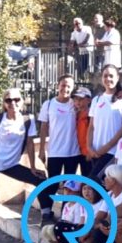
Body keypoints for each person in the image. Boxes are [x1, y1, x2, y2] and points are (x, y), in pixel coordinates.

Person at [0, 88, 49, 243]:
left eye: (16, 99)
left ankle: (46, 215)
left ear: (22, 101)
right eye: (8, 100)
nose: (12, 103)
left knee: (40, 180)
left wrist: (32, 167)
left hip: (10, 164)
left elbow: (30, 143)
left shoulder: (28, 120)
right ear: (4, 103)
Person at [38, 74, 80, 209]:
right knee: (52, 184)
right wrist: (41, 149)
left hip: (73, 152)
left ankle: (65, 214)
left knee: (69, 186)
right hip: (54, 151)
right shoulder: (48, 104)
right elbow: (43, 127)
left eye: (69, 86)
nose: (65, 89)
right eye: (63, 85)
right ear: (58, 86)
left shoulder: (75, 104)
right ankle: (46, 211)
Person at [87, 65, 122, 179]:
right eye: (105, 76)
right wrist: (89, 147)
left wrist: (107, 147)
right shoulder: (96, 100)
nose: (108, 79)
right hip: (96, 152)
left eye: (111, 76)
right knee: (99, 187)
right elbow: (91, 126)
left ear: (117, 78)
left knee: (92, 183)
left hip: (113, 152)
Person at [71, 87, 92, 176]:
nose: (78, 102)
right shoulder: (75, 114)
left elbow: (94, 134)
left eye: (81, 99)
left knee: (88, 179)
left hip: (87, 153)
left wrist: (90, 151)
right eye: (75, 99)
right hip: (76, 152)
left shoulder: (91, 116)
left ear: (89, 100)